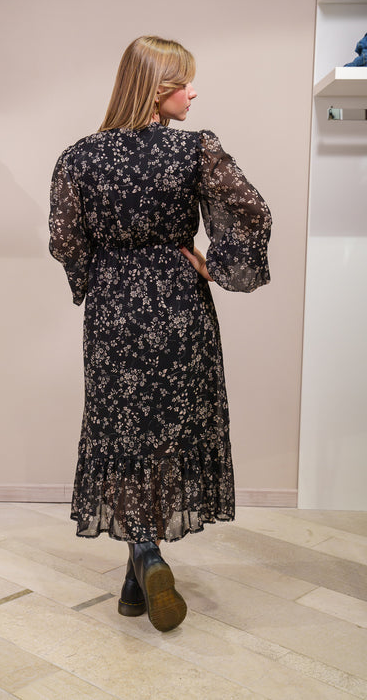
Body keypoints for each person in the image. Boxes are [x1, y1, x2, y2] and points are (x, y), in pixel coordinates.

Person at [49, 35, 272, 632]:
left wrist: (96, 276)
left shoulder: (78, 157)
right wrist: (214, 265)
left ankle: (139, 566)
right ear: (154, 88)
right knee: (169, 430)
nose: (194, 93)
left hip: (114, 311)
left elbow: (64, 240)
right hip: (178, 305)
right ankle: (145, 558)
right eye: (184, 82)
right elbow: (252, 211)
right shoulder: (196, 150)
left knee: (124, 432)